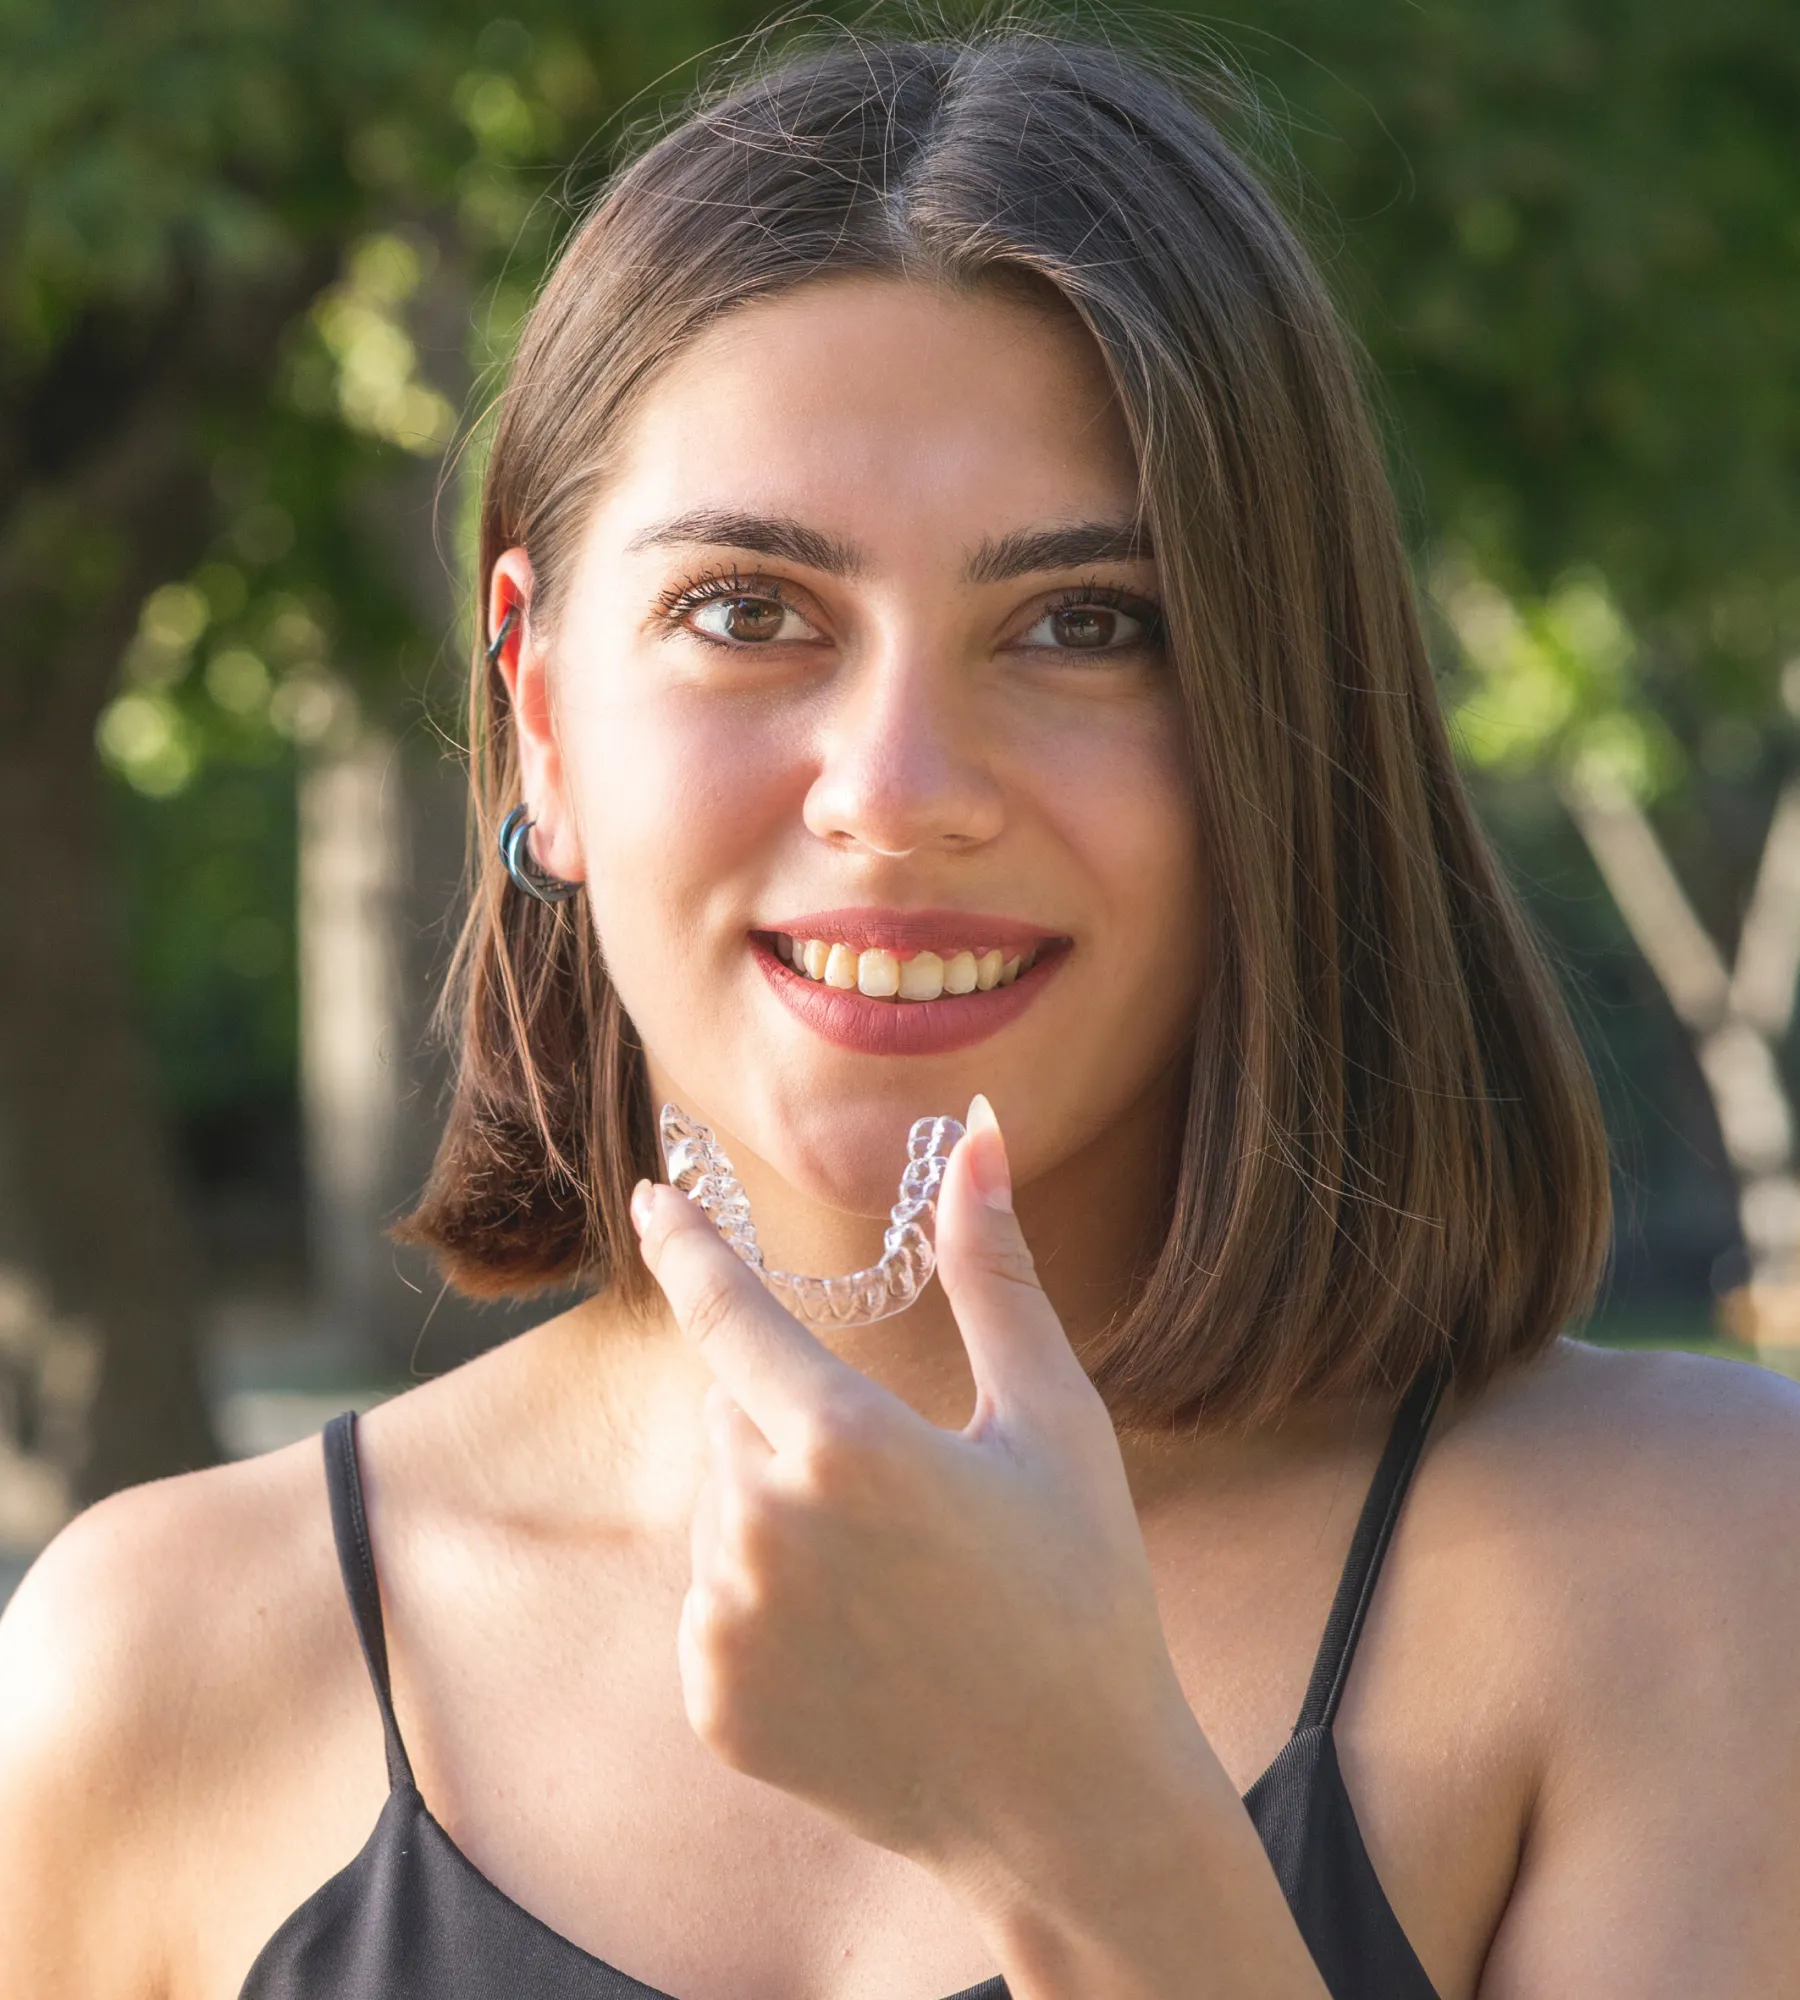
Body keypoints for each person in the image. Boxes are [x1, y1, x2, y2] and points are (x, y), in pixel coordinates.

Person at [2, 25, 1796, 2000]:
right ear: (538, 707)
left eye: (1086, 624)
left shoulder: (1685, 1573)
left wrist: (1085, 1819)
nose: (900, 782)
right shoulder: (154, 1669)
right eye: (747, 611)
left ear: (1285, 730)